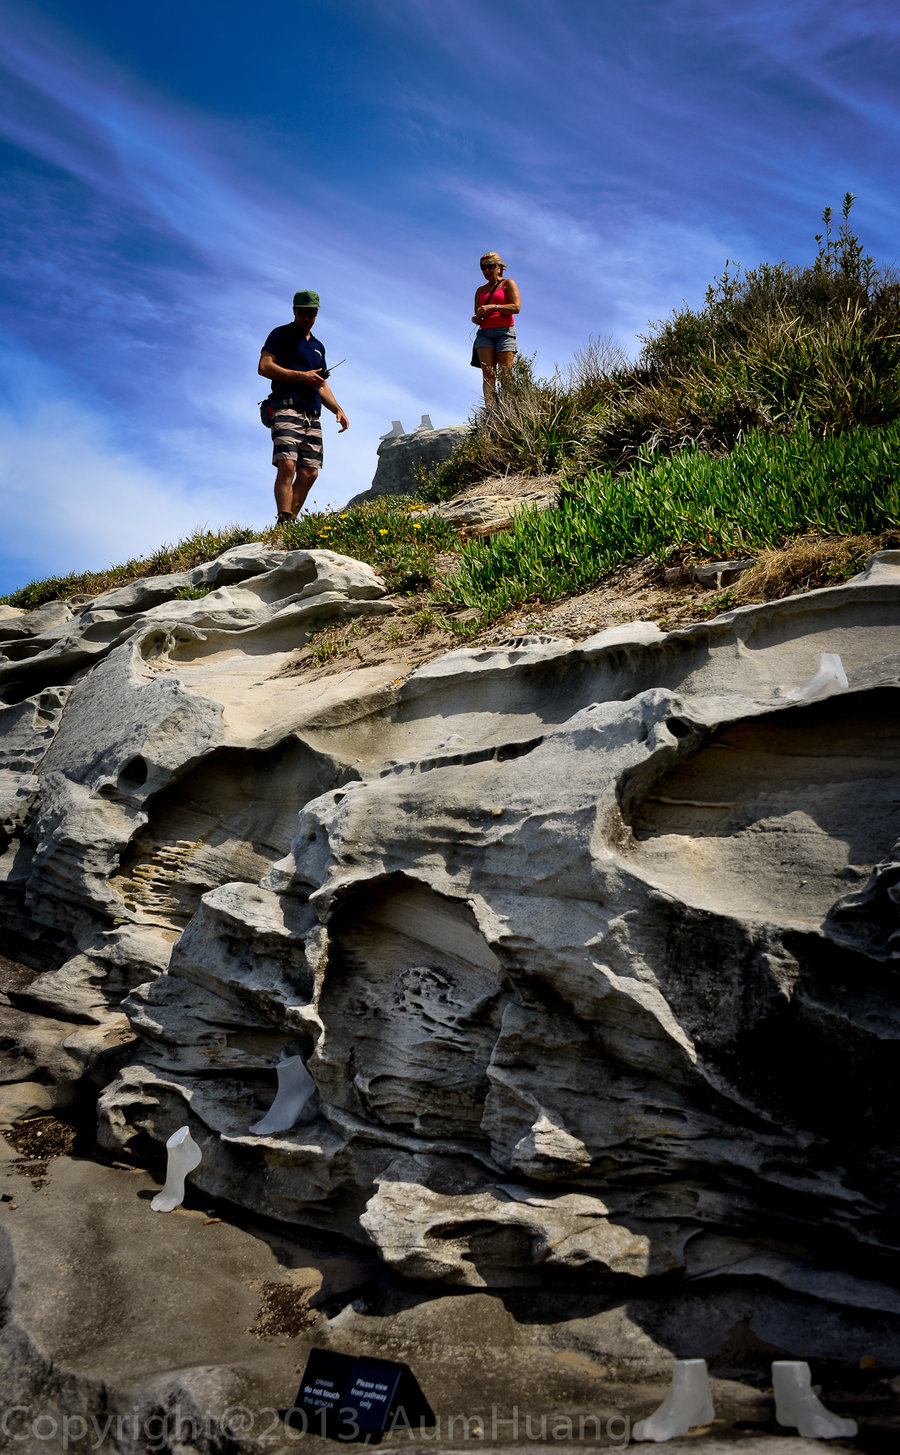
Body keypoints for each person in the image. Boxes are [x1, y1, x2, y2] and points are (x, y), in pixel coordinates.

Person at [258, 290, 349, 524]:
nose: (307, 318)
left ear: (317, 313)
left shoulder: (318, 347)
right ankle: (284, 518)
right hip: (286, 407)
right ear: (294, 311)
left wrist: (338, 409)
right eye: (302, 313)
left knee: (310, 472)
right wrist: (301, 376)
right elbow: (264, 366)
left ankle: (288, 525)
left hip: (313, 414)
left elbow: (321, 385)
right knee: (287, 464)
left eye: (312, 314)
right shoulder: (280, 334)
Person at [471, 252, 521, 407]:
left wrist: (494, 306)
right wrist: (476, 319)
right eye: (483, 267)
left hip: (505, 333)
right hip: (485, 334)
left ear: (499, 267)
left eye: (490, 266)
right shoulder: (480, 291)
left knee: (506, 375)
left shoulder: (508, 283)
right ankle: (491, 411)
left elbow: (516, 307)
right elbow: (477, 315)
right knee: (488, 375)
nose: (486, 270)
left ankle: (507, 410)